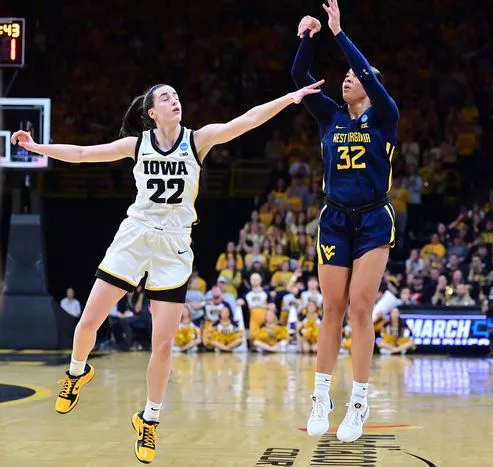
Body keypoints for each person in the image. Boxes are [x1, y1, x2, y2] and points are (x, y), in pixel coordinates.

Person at [11, 80, 323, 463]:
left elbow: (247, 120)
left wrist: (289, 98)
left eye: (176, 95)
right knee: (88, 322)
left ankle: (149, 421)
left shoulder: (198, 140)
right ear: (152, 113)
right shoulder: (136, 145)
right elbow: (80, 153)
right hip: (136, 236)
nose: (175, 100)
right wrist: (36, 147)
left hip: (175, 246)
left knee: (163, 346)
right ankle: (76, 373)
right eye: (165, 98)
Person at [291, 0, 399, 442]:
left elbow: (366, 71)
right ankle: (321, 397)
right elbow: (300, 79)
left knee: (360, 306)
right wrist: (307, 38)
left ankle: (358, 402)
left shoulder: (386, 117)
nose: (348, 76)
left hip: (373, 219)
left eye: (356, 75)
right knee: (331, 308)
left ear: (370, 86)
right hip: (335, 219)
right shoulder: (330, 116)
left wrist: (338, 32)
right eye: (347, 75)